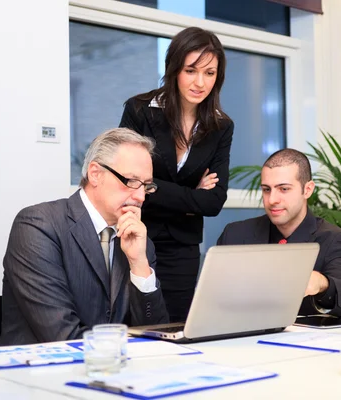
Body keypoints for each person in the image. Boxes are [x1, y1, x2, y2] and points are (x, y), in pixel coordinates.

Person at [0, 128, 169, 345]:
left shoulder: (139, 241)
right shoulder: (38, 225)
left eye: (146, 186)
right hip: (42, 370)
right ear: (95, 174)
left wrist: (139, 264)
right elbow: (62, 336)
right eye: (130, 181)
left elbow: (156, 335)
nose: (140, 196)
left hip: (117, 370)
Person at [119, 27, 234, 322]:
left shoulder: (221, 126)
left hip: (184, 247)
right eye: (191, 70)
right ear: (174, 69)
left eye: (209, 73)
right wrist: (192, 193)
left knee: (176, 325)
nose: (200, 82)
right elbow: (127, 179)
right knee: (133, 321)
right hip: (136, 235)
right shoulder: (140, 110)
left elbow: (214, 202)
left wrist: (154, 187)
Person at [216, 149, 341, 318]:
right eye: (266, 189)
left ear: (307, 190)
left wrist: (323, 285)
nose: (272, 200)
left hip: (304, 341)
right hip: (237, 337)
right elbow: (213, 297)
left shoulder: (334, 239)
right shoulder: (234, 235)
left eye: (283, 189)